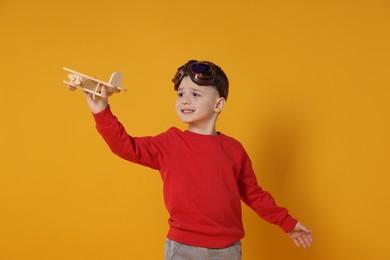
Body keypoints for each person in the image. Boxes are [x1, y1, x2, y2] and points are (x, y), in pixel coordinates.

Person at [84, 60, 313, 259]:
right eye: (181, 93)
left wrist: (287, 223)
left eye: (195, 94)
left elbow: (254, 195)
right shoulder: (170, 142)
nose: (185, 100)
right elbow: (126, 147)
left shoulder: (234, 150)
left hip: (227, 251)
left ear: (218, 104)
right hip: (183, 248)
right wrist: (101, 111)